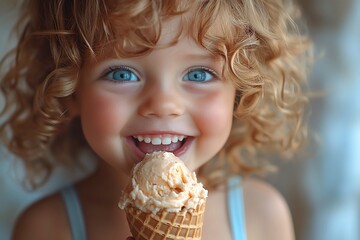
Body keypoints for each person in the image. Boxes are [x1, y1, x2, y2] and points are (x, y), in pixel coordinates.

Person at [0, 0, 311, 239]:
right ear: (68, 87)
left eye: (199, 74)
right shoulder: (47, 227)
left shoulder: (262, 214)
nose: (163, 105)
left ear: (242, 90)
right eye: (122, 74)